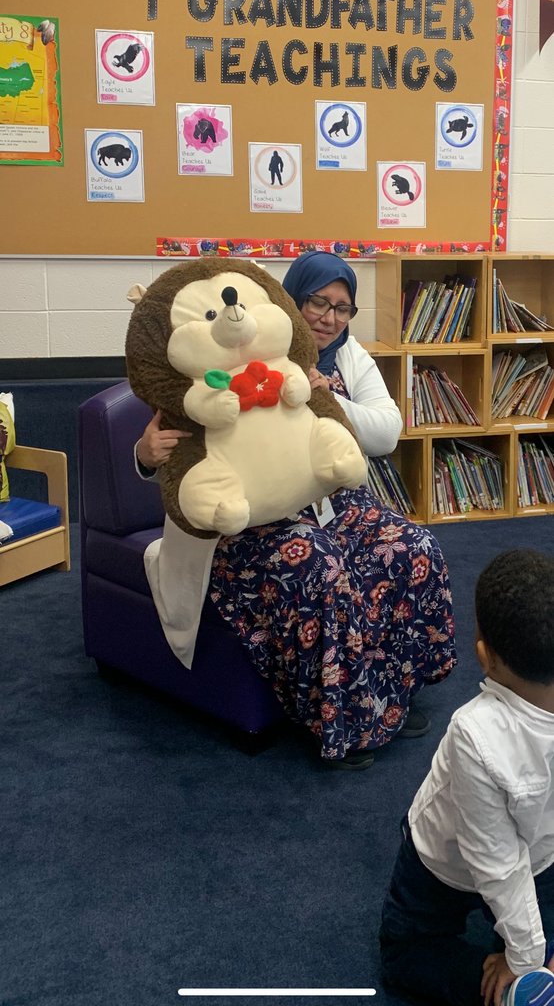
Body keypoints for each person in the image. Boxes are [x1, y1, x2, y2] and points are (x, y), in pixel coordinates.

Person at [136, 252, 456, 770]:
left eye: (343, 308)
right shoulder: (207, 369)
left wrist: (323, 393)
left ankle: (390, 690)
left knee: (410, 544)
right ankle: (342, 718)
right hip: (240, 521)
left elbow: (384, 432)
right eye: (317, 302)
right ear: (286, 300)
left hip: (326, 503)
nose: (329, 318)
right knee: (318, 565)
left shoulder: (347, 359)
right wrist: (143, 454)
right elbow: (164, 447)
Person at [380, 548, 554, 1006]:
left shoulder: (474, 732)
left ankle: (512, 994)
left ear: (484, 655)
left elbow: (496, 863)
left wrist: (522, 959)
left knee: (406, 954)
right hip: (544, 860)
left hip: (447, 866)